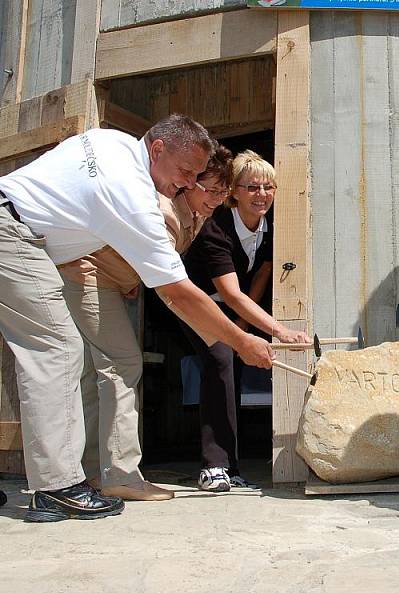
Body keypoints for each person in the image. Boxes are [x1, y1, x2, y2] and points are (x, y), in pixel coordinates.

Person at [0, 115, 274, 522]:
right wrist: (242, 341)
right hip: (14, 234)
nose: (185, 183)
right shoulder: (133, 193)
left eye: (195, 175)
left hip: (21, 227)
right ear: (158, 149)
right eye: (185, 172)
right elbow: (177, 293)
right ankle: (57, 488)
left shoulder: (109, 141)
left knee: (64, 354)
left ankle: (85, 475)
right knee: (58, 351)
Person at [56, 144, 235, 502]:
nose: (217, 199)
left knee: (98, 372)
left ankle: (93, 472)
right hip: (88, 277)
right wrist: (231, 338)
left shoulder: (196, 216)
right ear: (189, 184)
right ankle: (121, 475)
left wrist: (128, 280)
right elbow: (173, 291)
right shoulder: (166, 212)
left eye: (223, 191)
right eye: (210, 189)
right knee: (122, 364)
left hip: (106, 282)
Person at [183, 150, 311, 492]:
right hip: (192, 301)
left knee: (234, 365)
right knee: (220, 356)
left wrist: (241, 327)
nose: (262, 195)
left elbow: (260, 277)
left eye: (268, 187)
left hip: (233, 304)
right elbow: (231, 293)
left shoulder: (271, 227)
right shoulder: (215, 231)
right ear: (233, 193)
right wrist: (280, 330)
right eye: (252, 187)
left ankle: (231, 465)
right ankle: (214, 466)